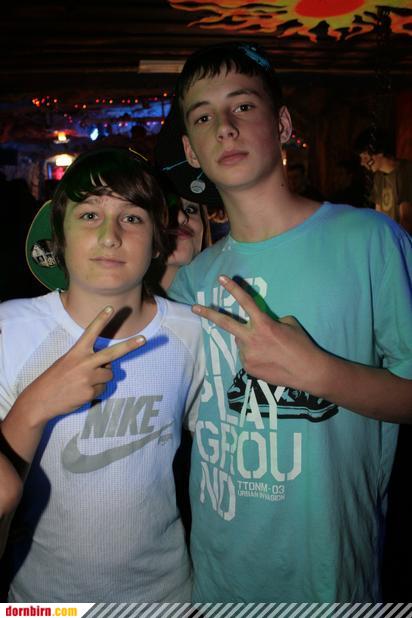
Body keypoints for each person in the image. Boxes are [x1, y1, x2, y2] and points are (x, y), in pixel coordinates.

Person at [155, 41, 412, 602]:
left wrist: (318, 372)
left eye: (243, 105)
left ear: (284, 124)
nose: (225, 127)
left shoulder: (369, 240)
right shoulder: (190, 283)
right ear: (191, 150)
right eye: (204, 117)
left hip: (329, 579)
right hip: (217, 581)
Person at [0, 147, 204, 602]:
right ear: (59, 237)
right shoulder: (9, 331)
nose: (110, 237)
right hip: (41, 602)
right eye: (90, 215)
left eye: (131, 218)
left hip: (166, 598)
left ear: (158, 241)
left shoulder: (191, 334)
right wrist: (35, 405)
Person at [355, 127, 412, 234]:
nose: (362, 163)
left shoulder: (404, 171)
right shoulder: (378, 177)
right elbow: (379, 214)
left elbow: (406, 218)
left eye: (365, 158)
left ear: (380, 153)